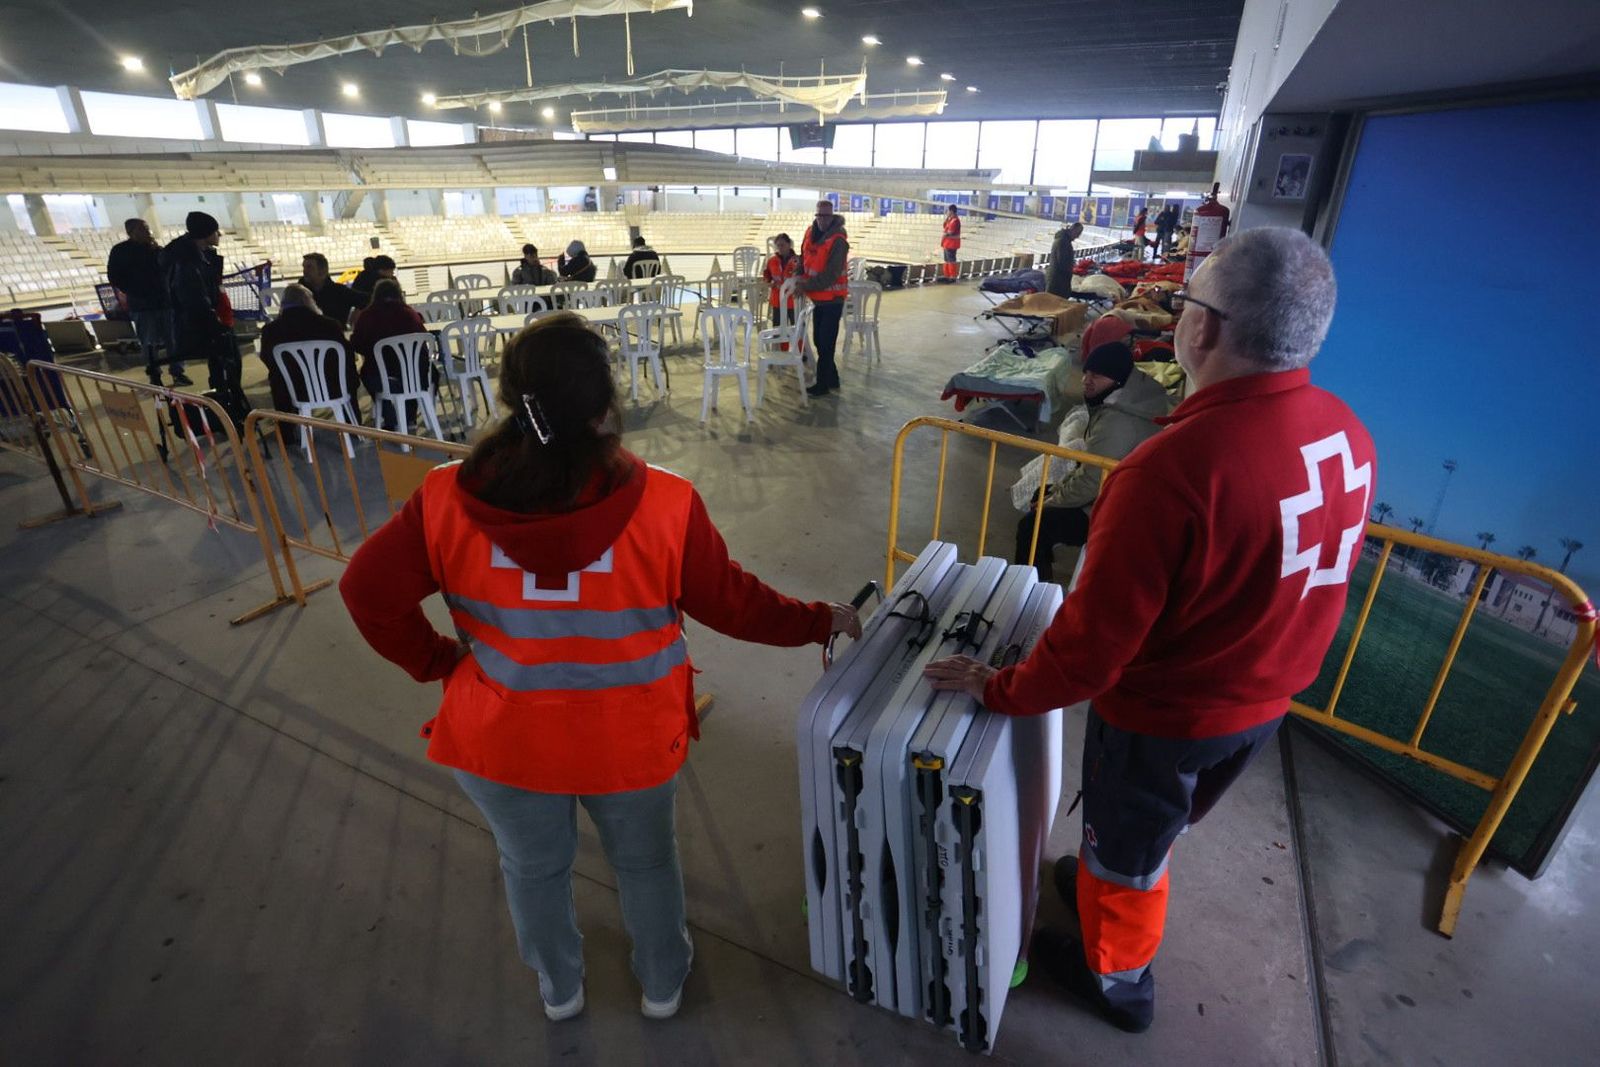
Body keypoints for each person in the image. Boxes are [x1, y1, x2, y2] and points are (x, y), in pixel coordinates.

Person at [338, 312, 862, 1022]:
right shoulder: (668, 502)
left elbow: (365, 591)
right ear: (603, 406)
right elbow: (737, 605)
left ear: (510, 397)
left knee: (533, 869)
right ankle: (662, 981)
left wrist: (438, 661)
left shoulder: (441, 499)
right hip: (633, 740)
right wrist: (816, 618)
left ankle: (559, 988)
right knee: (646, 864)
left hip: (502, 741)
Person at [925, 227, 1374, 1035]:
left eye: (1186, 303)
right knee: (1142, 834)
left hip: (1170, 717)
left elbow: (1092, 652)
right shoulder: (1345, 429)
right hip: (1263, 701)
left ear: (1202, 329)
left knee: (1128, 854)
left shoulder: (1174, 470)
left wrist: (999, 687)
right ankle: (1103, 887)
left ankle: (1117, 982)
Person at [1012, 342, 1169, 581]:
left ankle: (1032, 593)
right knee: (1041, 494)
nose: (1086, 380)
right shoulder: (1127, 401)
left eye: (1096, 375)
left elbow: (1089, 483)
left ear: (1116, 379)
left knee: (1031, 526)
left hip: (1120, 512)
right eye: (1086, 372)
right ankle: (1040, 565)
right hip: (1117, 492)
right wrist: (1052, 494)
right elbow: (1090, 467)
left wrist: (1050, 502)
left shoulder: (1118, 422)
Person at [108, 218, 188, 386]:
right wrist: (135, 291)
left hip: (165, 302)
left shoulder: (156, 249)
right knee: (148, 342)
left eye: (147, 228)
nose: (148, 231)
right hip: (142, 305)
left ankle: (178, 372)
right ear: (132, 231)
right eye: (143, 229)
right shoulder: (121, 251)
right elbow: (114, 276)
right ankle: (154, 374)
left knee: (173, 340)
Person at [256, 283, 353, 413]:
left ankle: (288, 428)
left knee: (277, 378)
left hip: (293, 390)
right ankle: (353, 425)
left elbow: (267, 358)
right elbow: (347, 353)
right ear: (308, 301)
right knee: (349, 375)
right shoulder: (330, 325)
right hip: (333, 386)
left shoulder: (271, 330)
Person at [160, 211, 227, 391]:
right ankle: (224, 399)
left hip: (198, 319)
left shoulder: (195, 254)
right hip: (196, 323)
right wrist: (214, 322)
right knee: (226, 359)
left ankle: (223, 394)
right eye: (215, 231)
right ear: (206, 234)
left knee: (222, 362)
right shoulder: (188, 262)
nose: (219, 235)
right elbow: (195, 298)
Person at [350, 278, 429, 430]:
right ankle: (409, 417)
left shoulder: (367, 316)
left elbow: (357, 344)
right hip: (414, 375)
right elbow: (423, 339)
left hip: (382, 376)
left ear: (376, 295)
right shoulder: (410, 314)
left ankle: (391, 418)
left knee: (366, 374)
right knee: (417, 373)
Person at [799, 200, 849, 398]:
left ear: (833, 216)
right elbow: (803, 259)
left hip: (833, 299)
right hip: (819, 299)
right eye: (819, 215)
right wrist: (798, 273)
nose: (822, 220)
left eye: (826, 216)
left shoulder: (838, 240)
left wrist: (805, 285)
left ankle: (822, 385)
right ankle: (833, 378)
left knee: (826, 342)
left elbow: (831, 274)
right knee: (820, 341)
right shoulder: (811, 233)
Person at [298, 252, 361, 324]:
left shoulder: (339, 292)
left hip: (335, 333)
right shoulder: (297, 294)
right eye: (304, 267)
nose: (304, 271)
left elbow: (368, 301)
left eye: (309, 267)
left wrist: (359, 311)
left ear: (322, 271)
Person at [763, 233, 801, 328]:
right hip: (777, 300)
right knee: (778, 330)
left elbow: (803, 278)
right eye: (778, 245)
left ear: (789, 244)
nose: (780, 248)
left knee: (797, 328)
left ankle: (798, 343)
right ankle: (779, 343)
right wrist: (769, 282)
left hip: (794, 300)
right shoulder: (772, 261)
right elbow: (767, 275)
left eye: (782, 245)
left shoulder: (798, 261)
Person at [1045, 221, 1084, 300]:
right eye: (1077, 233)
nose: (1077, 236)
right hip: (1058, 280)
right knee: (1054, 303)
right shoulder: (1063, 242)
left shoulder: (1064, 240)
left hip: (1057, 278)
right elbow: (1063, 263)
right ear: (1073, 230)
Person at [939, 204, 962, 283]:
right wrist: (947, 218)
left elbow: (950, 232)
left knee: (951, 260)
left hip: (951, 244)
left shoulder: (955, 220)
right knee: (946, 260)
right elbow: (945, 226)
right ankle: (947, 275)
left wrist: (945, 234)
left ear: (951, 211)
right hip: (947, 243)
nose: (946, 212)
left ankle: (952, 277)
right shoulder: (951, 219)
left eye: (948, 211)